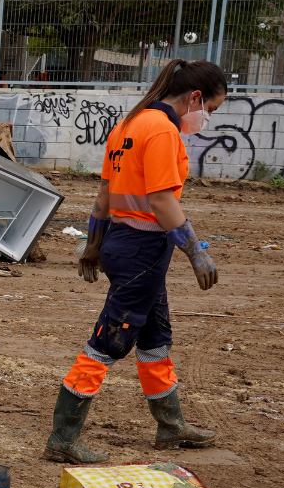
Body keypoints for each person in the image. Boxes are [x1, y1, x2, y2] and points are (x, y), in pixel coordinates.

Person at [44, 59, 226, 464]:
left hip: (123, 244)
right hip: (143, 249)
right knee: (107, 342)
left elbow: (104, 195)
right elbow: (162, 201)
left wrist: (94, 244)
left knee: (155, 339)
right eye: (210, 109)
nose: (207, 117)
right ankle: (63, 438)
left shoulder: (130, 123)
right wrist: (196, 251)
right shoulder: (163, 130)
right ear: (195, 97)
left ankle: (170, 424)